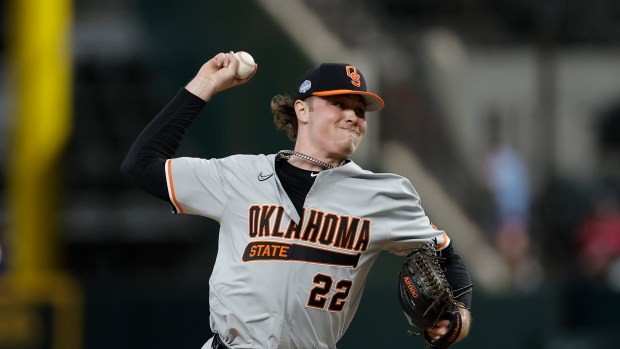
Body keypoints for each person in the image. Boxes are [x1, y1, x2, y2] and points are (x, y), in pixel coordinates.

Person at [122, 51, 473, 349]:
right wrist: (204, 85)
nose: (353, 115)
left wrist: (460, 315)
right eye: (339, 104)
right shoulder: (238, 176)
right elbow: (141, 165)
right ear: (302, 110)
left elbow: (445, 255)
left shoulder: (384, 194)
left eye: (360, 110)